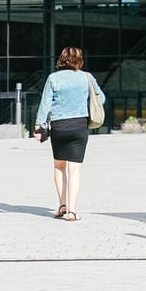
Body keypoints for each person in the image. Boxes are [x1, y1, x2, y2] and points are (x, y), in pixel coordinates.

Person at [32, 46, 104, 221]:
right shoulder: (86, 77)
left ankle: (62, 206)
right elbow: (101, 98)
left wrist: (39, 125)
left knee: (59, 166)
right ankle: (72, 211)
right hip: (80, 126)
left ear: (62, 59)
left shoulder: (53, 78)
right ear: (79, 60)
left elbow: (45, 104)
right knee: (75, 169)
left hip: (59, 127)